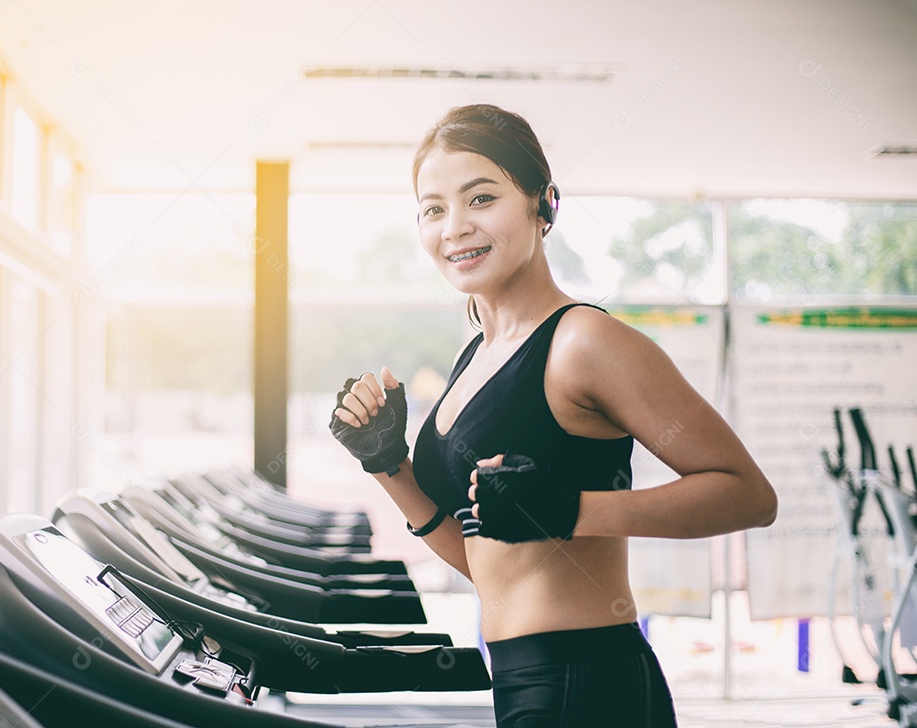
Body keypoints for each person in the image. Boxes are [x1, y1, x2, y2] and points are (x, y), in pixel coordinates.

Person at [329, 103, 778, 727]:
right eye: (434, 209)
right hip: (521, 677)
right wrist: (387, 465)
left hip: (586, 681)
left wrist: (572, 509)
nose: (454, 226)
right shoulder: (477, 356)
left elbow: (749, 496)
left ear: (543, 204)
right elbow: (485, 561)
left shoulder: (583, 342)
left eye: (480, 198)